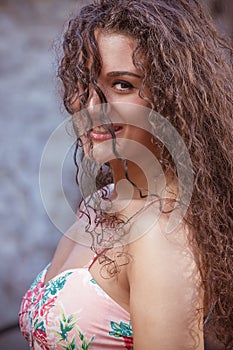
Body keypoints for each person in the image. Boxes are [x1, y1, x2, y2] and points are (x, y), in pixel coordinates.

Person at [19, 0, 233, 349]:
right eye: (83, 81)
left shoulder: (160, 233)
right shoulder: (98, 203)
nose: (90, 107)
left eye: (122, 85)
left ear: (172, 98)